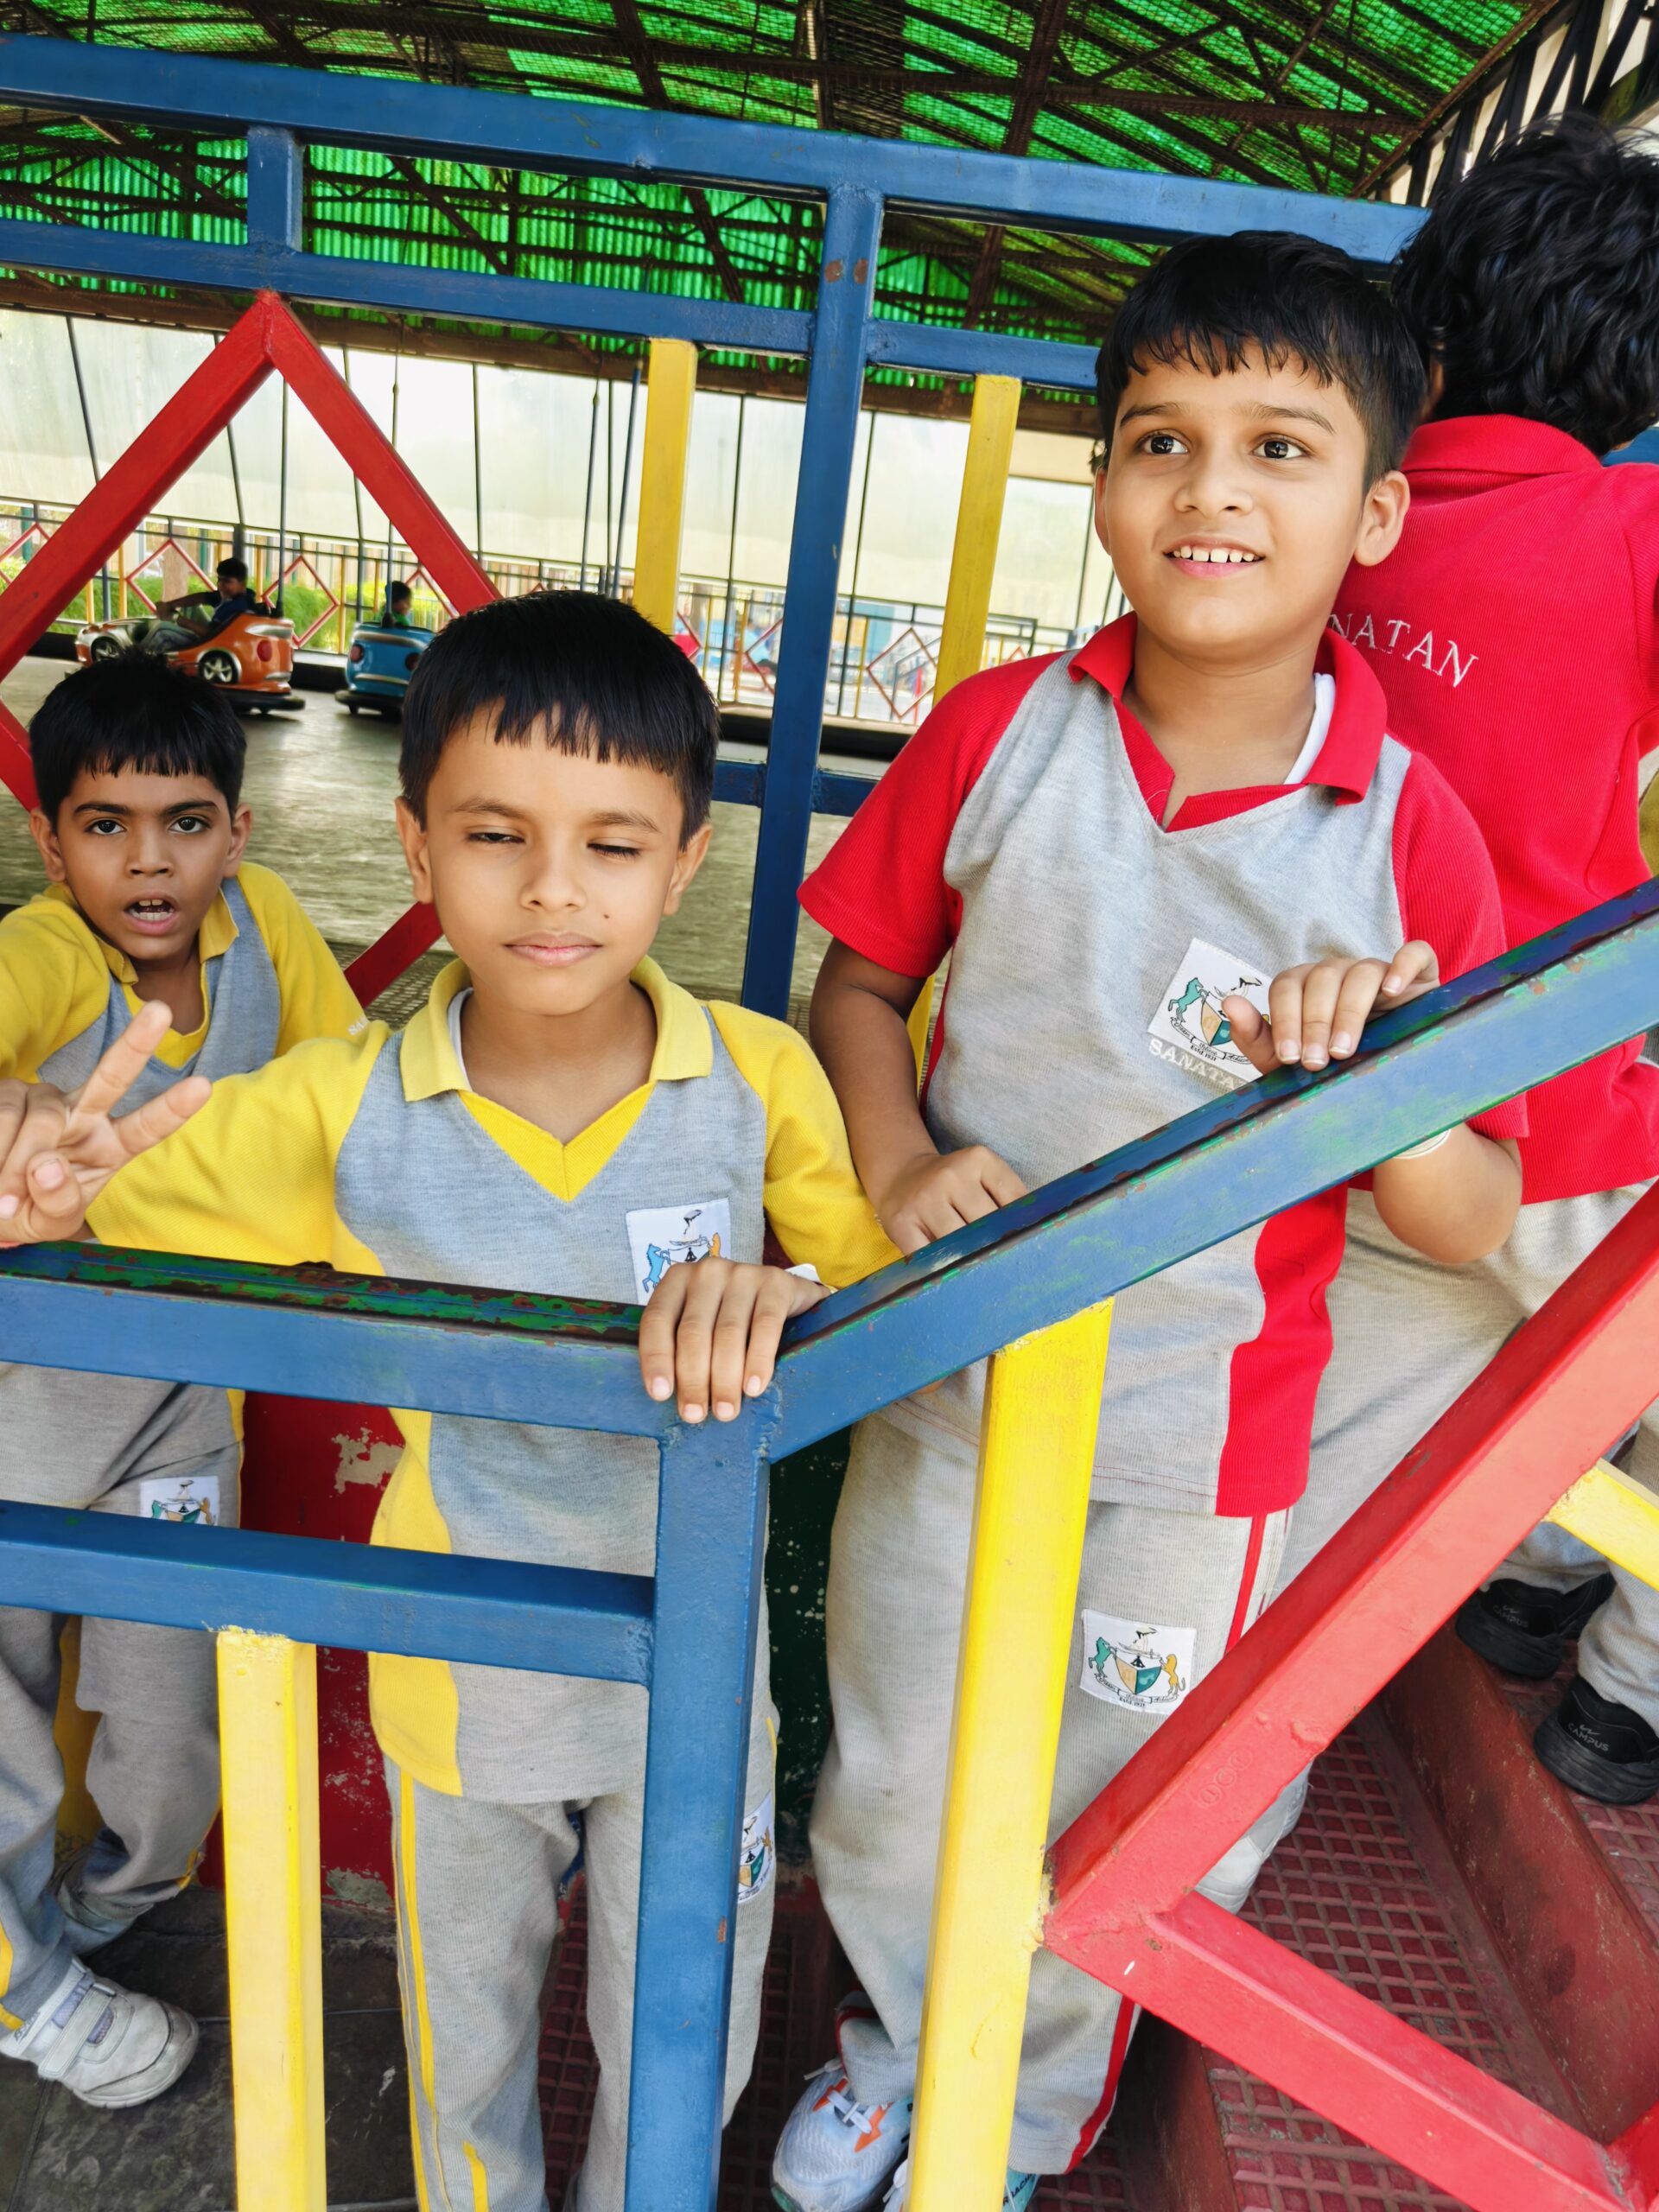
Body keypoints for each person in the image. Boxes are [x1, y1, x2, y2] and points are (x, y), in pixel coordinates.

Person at [768, 232, 1529, 2212]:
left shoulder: (1407, 831)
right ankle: (894, 2055)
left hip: (1201, 1443)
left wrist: (1380, 1083)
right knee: (893, 1772)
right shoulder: (997, 733)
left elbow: (1469, 1215)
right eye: (1160, 438)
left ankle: (1014, 2133)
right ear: (1102, 485)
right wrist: (896, 1159)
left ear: (1374, 513)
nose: (1213, 489)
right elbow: (855, 983)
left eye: (1281, 446)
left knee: (1121, 1816)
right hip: (952, 1381)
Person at [0, 592, 897, 2212]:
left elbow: (878, 1301)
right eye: (497, 836)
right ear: (416, 848)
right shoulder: (338, 1107)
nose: (554, 889)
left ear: (686, 864)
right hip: (460, 1674)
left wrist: (791, 1299)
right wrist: (44, 1177)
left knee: (684, 2028)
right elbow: (98, 1204)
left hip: (702, 1675)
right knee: (462, 2034)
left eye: (612, 845)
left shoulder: (758, 1077)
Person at [1269, 115, 1659, 1807]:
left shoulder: (1330, 509)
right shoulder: (1628, 530)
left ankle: (1532, 1580)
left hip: (1300, 1103)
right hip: (1539, 1127)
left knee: (1285, 1516)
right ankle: (1621, 1688)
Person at [0, 649, 362, 2107]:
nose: (149, 861)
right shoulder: (40, 952)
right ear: (51, 843)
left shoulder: (268, 928)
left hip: (177, 1408)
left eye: (186, 822)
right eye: (106, 825)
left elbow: (354, 1086)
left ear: (238, 832)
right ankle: (26, 1988)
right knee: (5, 1733)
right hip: (17, 1411)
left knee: (169, 1731)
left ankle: (104, 1911)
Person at [145, 556, 269, 653]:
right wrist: (170, 605)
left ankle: (151, 662)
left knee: (161, 632)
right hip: (212, 637)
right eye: (219, 579)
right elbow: (203, 597)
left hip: (217, 645)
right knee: (191, 608)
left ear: (242, 584)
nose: (220, 585)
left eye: (227, 581)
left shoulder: (240, 608)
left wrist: (176, 618)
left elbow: (213, 634)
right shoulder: (232, 596)